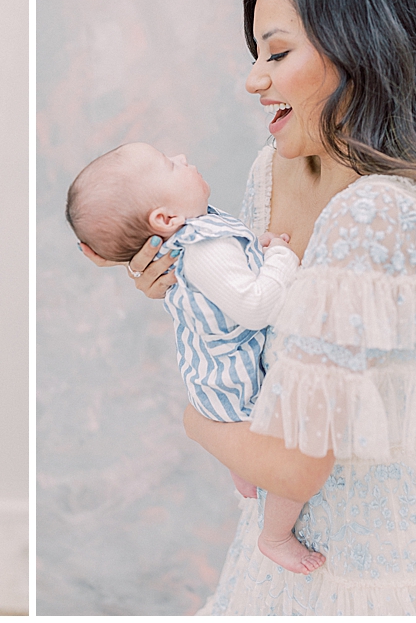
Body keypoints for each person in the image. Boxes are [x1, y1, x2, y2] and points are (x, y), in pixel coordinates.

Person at [81, 0, 416, 614]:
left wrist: (196, 419)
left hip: (371, 568)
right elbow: (263, 330)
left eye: (278, 53)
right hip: (286, 542)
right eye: (256, 54)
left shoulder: (376, 213)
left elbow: (296, 462)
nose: (255, 78)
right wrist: (186, 290)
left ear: (362, 54)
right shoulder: (273, 170)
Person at [67, 142, 324, 574]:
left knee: (266, 447)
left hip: (213, 376)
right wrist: (281, 256)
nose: (183, 159)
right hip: (234, 379)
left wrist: (257, 250)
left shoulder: (201, 237)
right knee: (287, 453)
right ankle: (276, 535)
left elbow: (233, 263)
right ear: (165, 219)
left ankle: (245, 472)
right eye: (171, 164)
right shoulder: (204, 250)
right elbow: (257, 305)